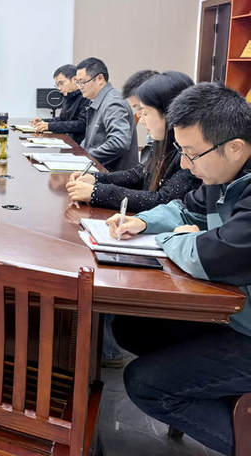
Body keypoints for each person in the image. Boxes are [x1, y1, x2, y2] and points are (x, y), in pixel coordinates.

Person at [105, 83, 251, 456]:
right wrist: (144, 222)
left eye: (192, 154)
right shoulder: (223, 176)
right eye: (181, 152)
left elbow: (213, 255)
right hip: (237, 316)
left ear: (235, 147)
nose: (185, 165)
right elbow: (185, 209)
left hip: (247, 332)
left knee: (145, 383)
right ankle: (227, 396)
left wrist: (171, 238)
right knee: (132, 326)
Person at [66, 71, 200, 211]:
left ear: (169, 112)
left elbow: (162, 201)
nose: (141, 120)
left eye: (145, 112)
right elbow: (139, 174)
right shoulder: (162, 142)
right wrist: (96, 179)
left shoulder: (189, 151)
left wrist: (96, 193)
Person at [75, 57, 138, 171]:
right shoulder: (98, 99)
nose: (80, 87)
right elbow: (90, 140)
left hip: (112, 174)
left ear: (99, 78)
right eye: (78, 82)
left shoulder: (113, 102)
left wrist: (87, 157)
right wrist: (79, 154)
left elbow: (119, 142)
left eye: (82, 82)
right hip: (99, 168)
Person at [30, 64, 88, 143]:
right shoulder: (68, 96)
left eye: (61, 83)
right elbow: (63, 119)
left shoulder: (85, 96)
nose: (59, 88)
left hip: (78, 144)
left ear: (74, 80)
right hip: (67, 141)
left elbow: (81, 124)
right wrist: (44, 121)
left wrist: (50, 126)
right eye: (57, 85)